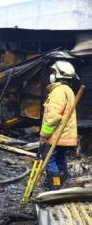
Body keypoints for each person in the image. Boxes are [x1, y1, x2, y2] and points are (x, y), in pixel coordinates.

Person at [40, 60, 78, 190]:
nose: (51, 75)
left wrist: (44, 134)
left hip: (57, 135)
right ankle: (64, 183)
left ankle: (55, 185)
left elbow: (53, 117)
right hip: (65, 135)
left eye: (52, 72)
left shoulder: (58, 91)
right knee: (60, 159)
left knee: (49, 160)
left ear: (57, 75)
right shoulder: (68, 90)